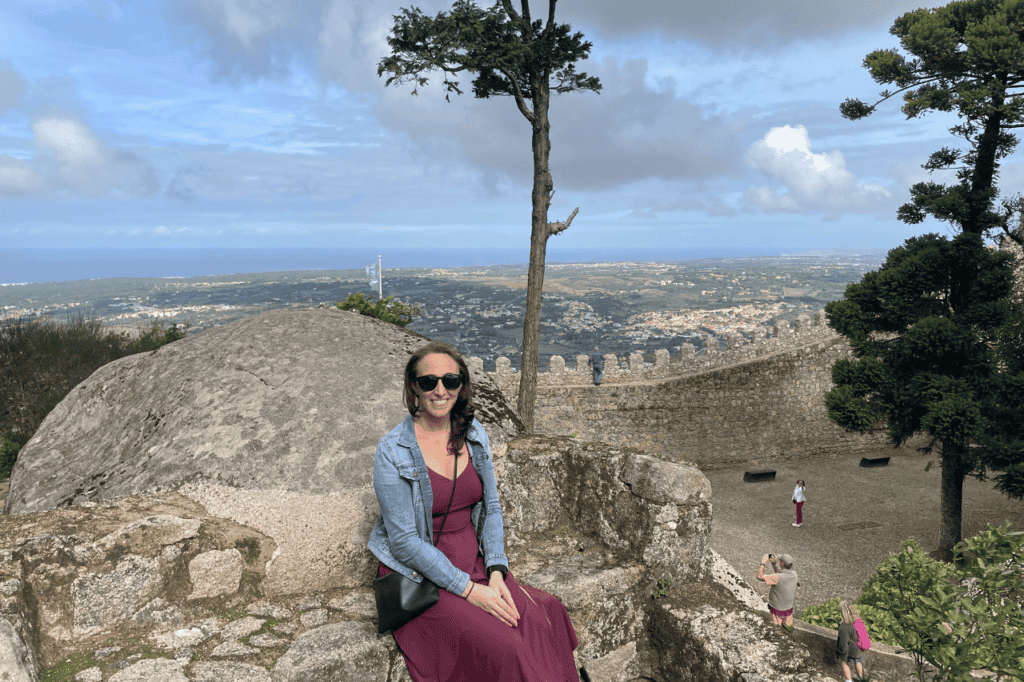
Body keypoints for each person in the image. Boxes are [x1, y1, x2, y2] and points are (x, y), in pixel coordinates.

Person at [368, 341, 581, 681]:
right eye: (429, 382)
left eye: (450, 381)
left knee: (546, 614)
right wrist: (470, 590)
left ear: (461, 386)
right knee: (504, 649)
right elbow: (405, 542)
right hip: (423, 577)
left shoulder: (473, 433)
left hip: (476, 562)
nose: (440, 390)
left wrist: (496, 570)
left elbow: (491, 507)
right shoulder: (393, 451)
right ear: (413, 387)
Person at [757, 553, 798, 633]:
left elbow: (759, 576)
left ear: (781, 563)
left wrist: (763, 562)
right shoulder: (794, 574)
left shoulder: (777, 577)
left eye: (779, 561)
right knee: (788, 629)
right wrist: (774, 565)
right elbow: (780, 575)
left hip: (777, 609)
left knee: (776, 630)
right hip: (788, 609)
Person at [837, 600, 865, 682]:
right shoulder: (857, 620)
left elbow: (843, 642)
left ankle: (848, 680)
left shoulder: (844, 626)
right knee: (858, 662)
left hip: (849, 648)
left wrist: (842, 652)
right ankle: (861, 679)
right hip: (858, 647)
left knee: (844, 663)